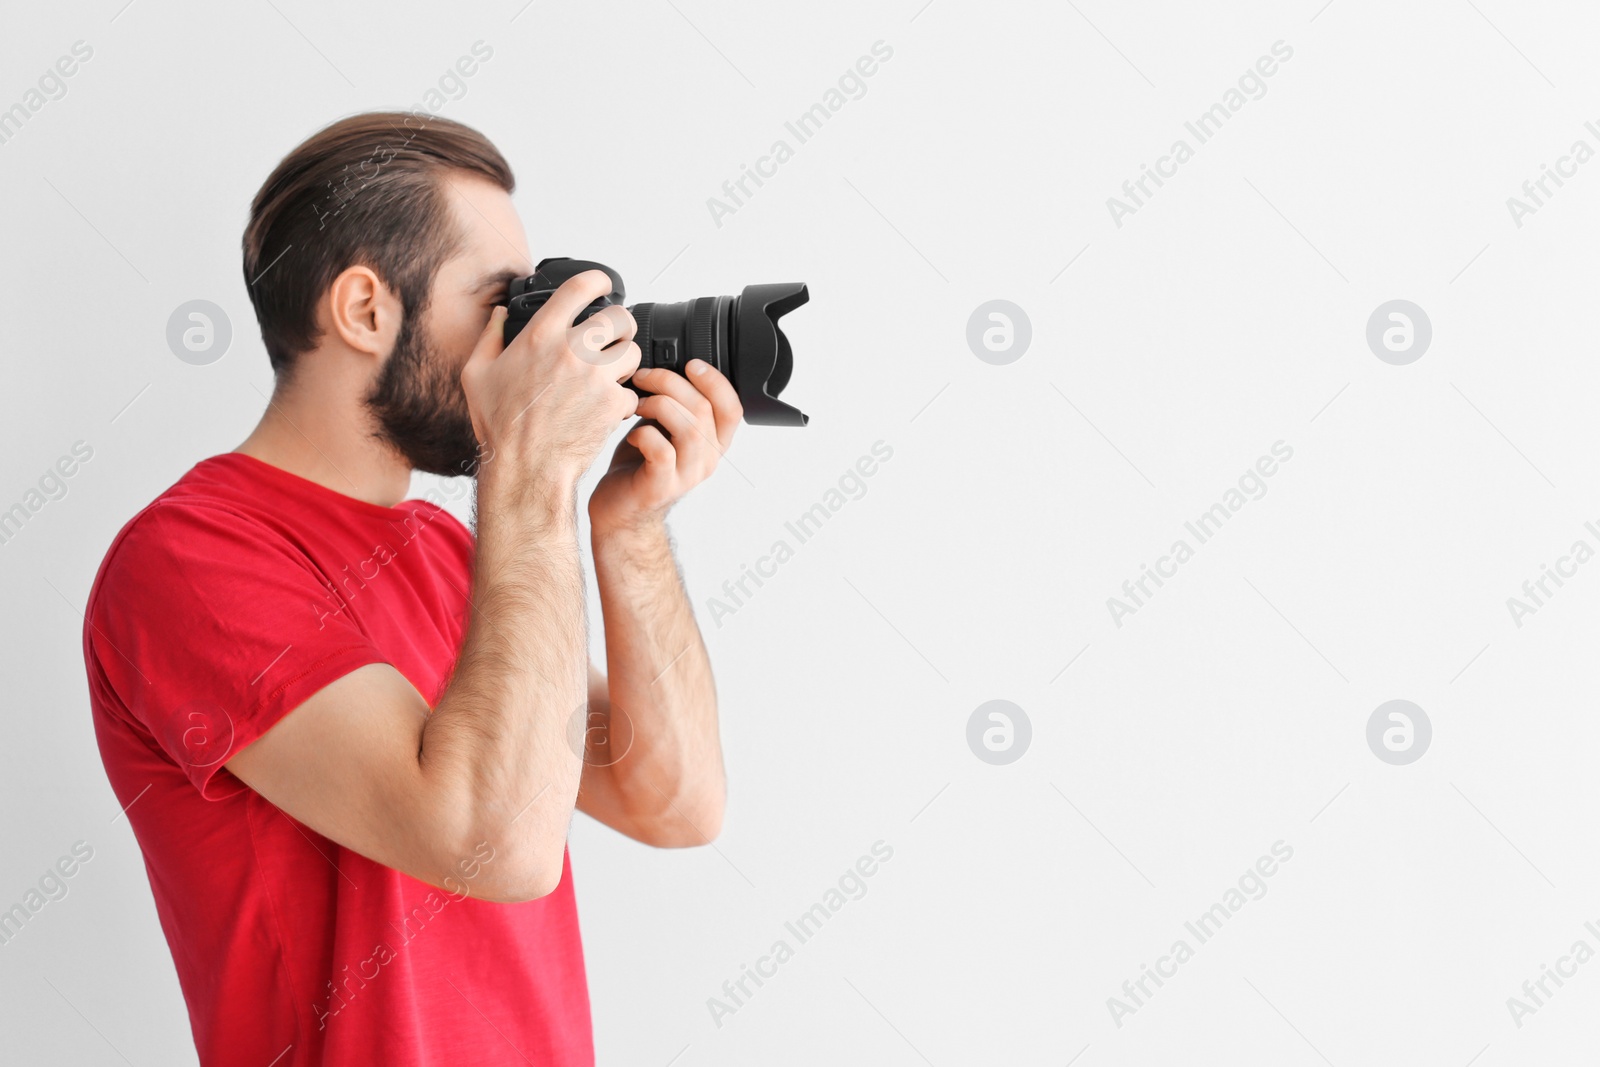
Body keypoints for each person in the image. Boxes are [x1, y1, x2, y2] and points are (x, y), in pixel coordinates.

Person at [80, 111, 739, 1066]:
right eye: (499, 301)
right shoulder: (189, 557)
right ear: (363, 309)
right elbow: (494, 846)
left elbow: (675, 804)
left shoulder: (452, 550)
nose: (525, 344)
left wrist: (626, 534)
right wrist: (530, 472)